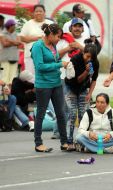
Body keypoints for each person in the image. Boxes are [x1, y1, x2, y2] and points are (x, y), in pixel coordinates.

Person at [31, 23, 69, 152]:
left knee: (61, 113)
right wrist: (59, 65)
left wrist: (63, 63)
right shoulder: (37, 46)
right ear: (51, 35)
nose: (59, 39)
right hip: (43, 85)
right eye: (58, 36)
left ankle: (64, 142)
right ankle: (38, 143)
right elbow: (40, 66)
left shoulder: (53, 45)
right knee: (40, 114)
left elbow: (55, 59)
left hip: (56, 83)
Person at [64, 43, 99, 151]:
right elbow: (77, 80)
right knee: (72, 114)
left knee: (84, 116)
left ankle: (81, 141)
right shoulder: (75, 59)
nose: (89, 59)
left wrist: (89, 93)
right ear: (83, 53)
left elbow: (93, 80)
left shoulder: (95, 62)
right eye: (87, 56)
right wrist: (86, 71)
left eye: (91, 58)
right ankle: (69, 142)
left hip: (84, 89)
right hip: (71, 88)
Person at [19, 4, 53, 74]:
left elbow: (56, 37)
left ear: (44, 13)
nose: (38, 13)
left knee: (44, 78)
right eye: (36, 11)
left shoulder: (50, 24)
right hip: (30, 56)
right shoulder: (28, 24)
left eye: (40, 11)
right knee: (30, 79)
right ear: (33, 13)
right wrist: (39, 38)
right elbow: (22, 38)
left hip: (46, 57)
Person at [0, 19, 22, 85]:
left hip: (15, 58)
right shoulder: (2, 33)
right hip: (5, 59)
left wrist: (9, 40)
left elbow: (19, 43)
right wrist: (15, 42)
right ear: (10, 26)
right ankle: (3, 93)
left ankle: (10, 94)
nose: (15, 26)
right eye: (14, 25)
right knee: (4, 77)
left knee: (12, 79)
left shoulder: (17, 33)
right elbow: (4, 44)